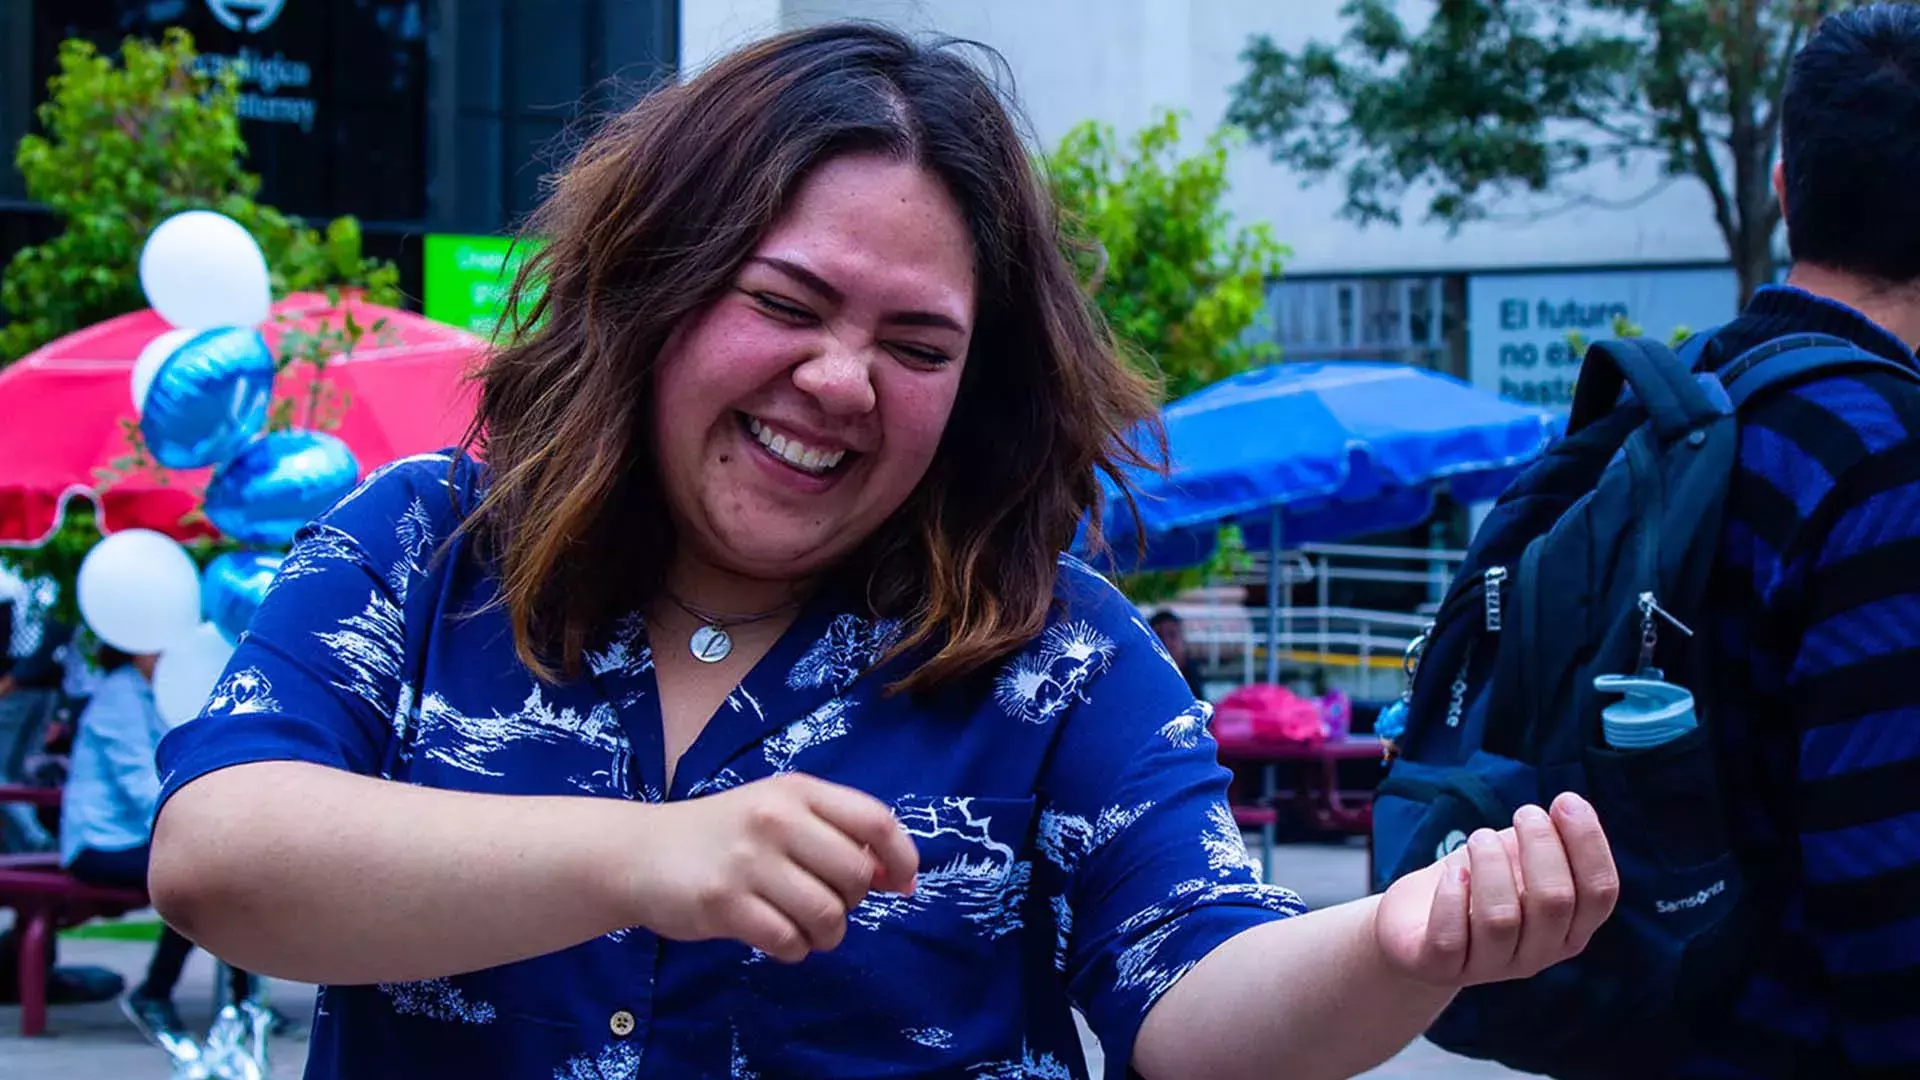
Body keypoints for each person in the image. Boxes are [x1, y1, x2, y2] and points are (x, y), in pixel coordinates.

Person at [146, 24, 1619, 1080]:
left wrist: (1399, 950)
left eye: (916, 345)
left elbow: (1197, 997)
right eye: (786, 304)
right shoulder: (424, 545)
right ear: (654, 288)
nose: (842, 383)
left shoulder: (1061, 655)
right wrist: (647, 857)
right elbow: (221, 859)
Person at [1645, 7, 1920, 1076]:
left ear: (1783, 186)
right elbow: (1885, 881)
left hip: (1643, 1026)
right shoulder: (1884, 459)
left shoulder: (1681, 396)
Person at [59, 644, 273, 1048]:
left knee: (233, 869)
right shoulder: (118, 699)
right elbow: (139, 786)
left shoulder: (157, 690)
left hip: (142, 835)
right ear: (136, 649)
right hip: (102, 843)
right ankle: (155, 993)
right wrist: (201, 818)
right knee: (201, 873)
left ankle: (244, 1002)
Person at [1147, 609, 1206, 700]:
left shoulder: (1194, 673)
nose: (1167, 643)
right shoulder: (1142, 675)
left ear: (1183, 639)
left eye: (1172, 635)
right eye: (1159, 636)